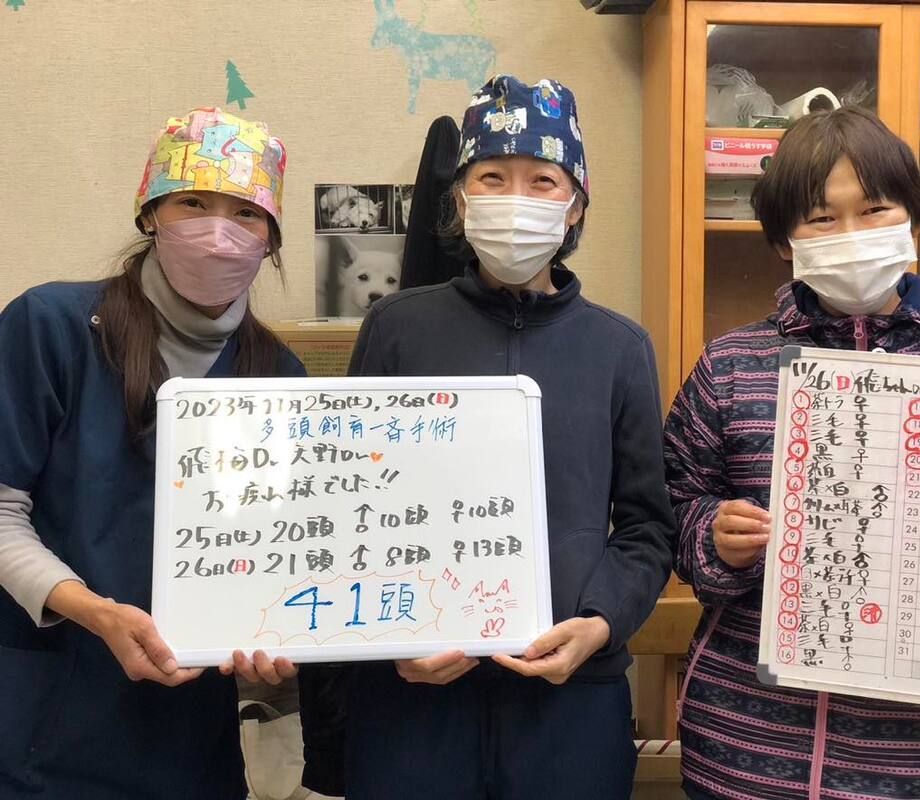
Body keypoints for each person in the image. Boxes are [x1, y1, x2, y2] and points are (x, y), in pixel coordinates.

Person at [663, 105, 920, 800]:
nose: (849, 234)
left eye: (875, 209)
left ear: (912, 217)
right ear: (784, 239)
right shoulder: (733, 364)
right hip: (747, 752)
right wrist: (713, 536)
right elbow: (671, 507)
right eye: (820, 218)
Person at [299, 74, 677, 800]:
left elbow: (644, 528)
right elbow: (350, 503)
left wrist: (598, 624)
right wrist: (391, 641)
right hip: (413, 699)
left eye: (542, 180)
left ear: (574, 207)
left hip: (569, 700)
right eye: (493, 177)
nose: (516, 198)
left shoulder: (618, 347)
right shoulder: (397, 328)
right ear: (462, 199)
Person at [0, 107, 305, 799]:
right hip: (49, 707)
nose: (218, 232)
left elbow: (275, 547)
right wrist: (95, 611)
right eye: (193, 202)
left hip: (188, 729)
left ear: (269, 239)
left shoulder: (278, 376)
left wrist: (278, 637)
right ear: (150, 213)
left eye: (245, 214)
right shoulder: (51, 328)